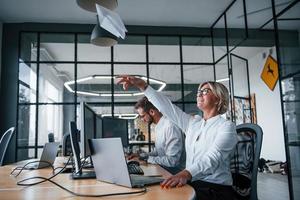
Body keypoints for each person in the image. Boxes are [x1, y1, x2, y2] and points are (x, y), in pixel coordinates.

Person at [117, 75, 237, 200]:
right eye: (199, 92)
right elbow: (168, 108)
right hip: (193, 183)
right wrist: (143, 86)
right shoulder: (194, 123)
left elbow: (213, 159)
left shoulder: (226, 127)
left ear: (218, 98)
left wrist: (186, 173)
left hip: (215, 189)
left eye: (205, 91)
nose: (200, 94)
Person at [129, 96, 185, 174]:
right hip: (165, 169)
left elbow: (172, 161)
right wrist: (141, 155)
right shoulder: (158, 126)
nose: (142, 119)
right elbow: (158, 152)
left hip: (177, 172)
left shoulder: (170, 126)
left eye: (142, 116)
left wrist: (147, 159)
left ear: (152, 112)